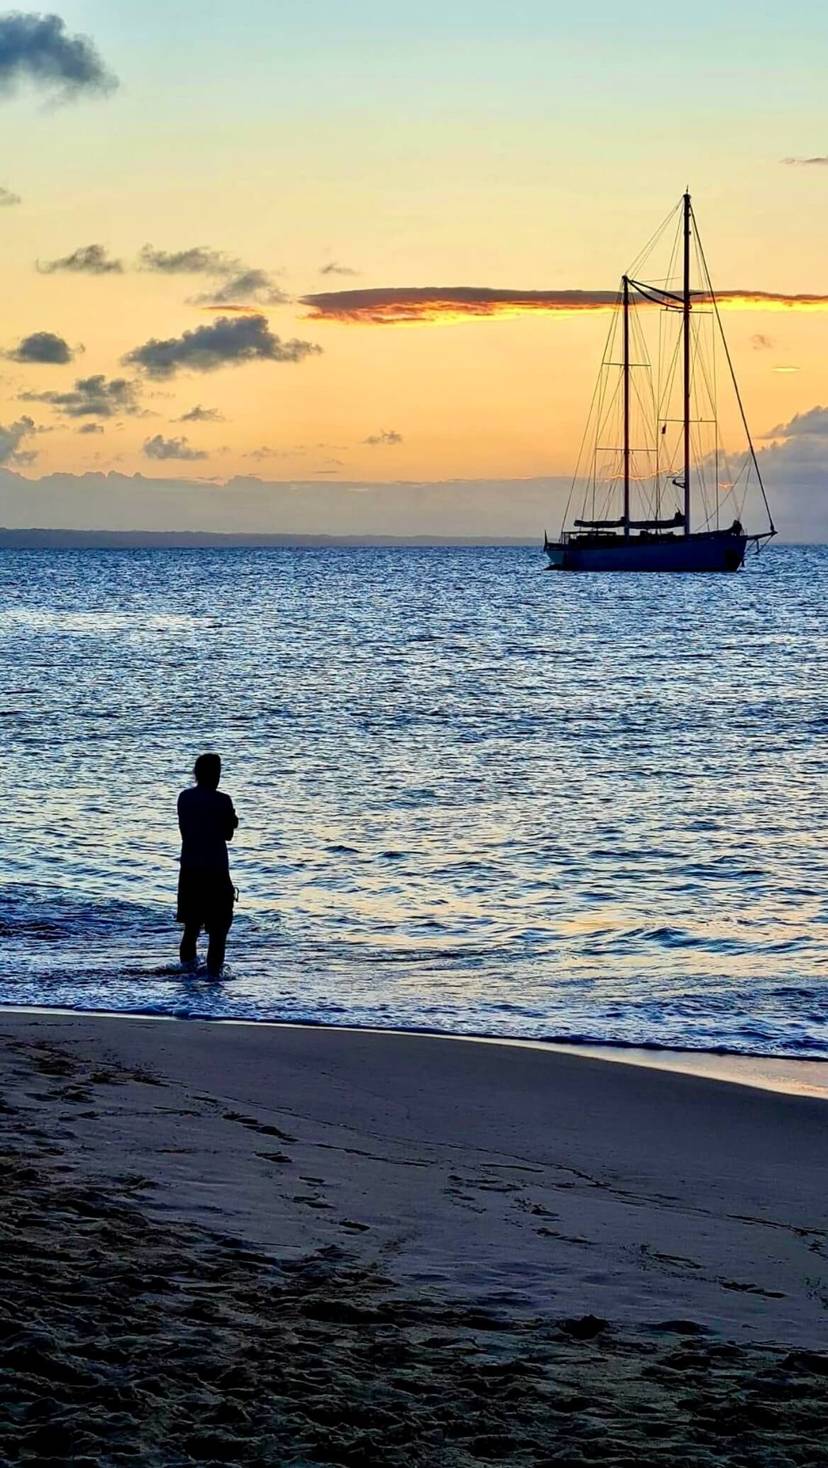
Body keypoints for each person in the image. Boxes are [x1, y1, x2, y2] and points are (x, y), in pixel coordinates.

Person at [176, 752, 239, 978]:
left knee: (191, 928)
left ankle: (187, 976)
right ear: (215, 774)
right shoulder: (223, 800)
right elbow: (228, 833)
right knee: (218, 931)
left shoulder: (184, 798)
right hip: (216, 871)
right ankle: (213, 980)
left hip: (191, 869)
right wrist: (231, 819)